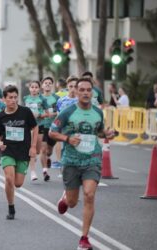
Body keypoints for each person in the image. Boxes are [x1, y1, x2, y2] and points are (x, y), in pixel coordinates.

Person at [49, 77, 114, 250]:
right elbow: (52, 132)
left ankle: (84, 238)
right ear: (76, 92)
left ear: (92, 92)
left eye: (88, 90)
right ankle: (65, 198)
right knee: (72, 202)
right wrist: (67, 138)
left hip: (92, 159)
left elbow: (99, 133)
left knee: (89, 195)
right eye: (82, 90)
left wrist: (107, 133)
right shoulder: (67, 112)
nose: (85, 93)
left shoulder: (97, 112)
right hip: (71, 161)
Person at [0, 85, 38, 220]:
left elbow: (35, 127)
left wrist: (33, 146)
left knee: (18, 183)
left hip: (23, 151)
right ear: (4, 99)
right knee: (9, 178)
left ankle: (12, 199)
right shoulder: (0, 116)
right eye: (10, 98)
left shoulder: (25, 112)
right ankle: (11, 207)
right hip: (8, 150)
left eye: (15, 97)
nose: (13, 100)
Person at [23, 80, 49, 181]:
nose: (34, 89)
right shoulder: (26, 98)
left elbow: (47, 113)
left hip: (39, 125)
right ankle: (33, 172)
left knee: (38, 150)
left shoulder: (42, 99)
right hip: (29, 126)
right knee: (31, 148)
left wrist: (39, 115)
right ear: (29, 89)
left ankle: (34, 156)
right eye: (32, 87)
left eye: (36, 87)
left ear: (39, 89)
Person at [40, 77, 59, 181]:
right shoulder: (39, 98)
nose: (47, 84)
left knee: (49, 151)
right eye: (45, 83)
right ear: (42, 85)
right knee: (43, 149)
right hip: (42, 126)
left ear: (52, 85)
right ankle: (45, 171)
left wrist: (51, 113)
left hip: (53, 127)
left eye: (49, 83)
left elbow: (59, 111)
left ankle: (48, 158)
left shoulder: (56, 98)